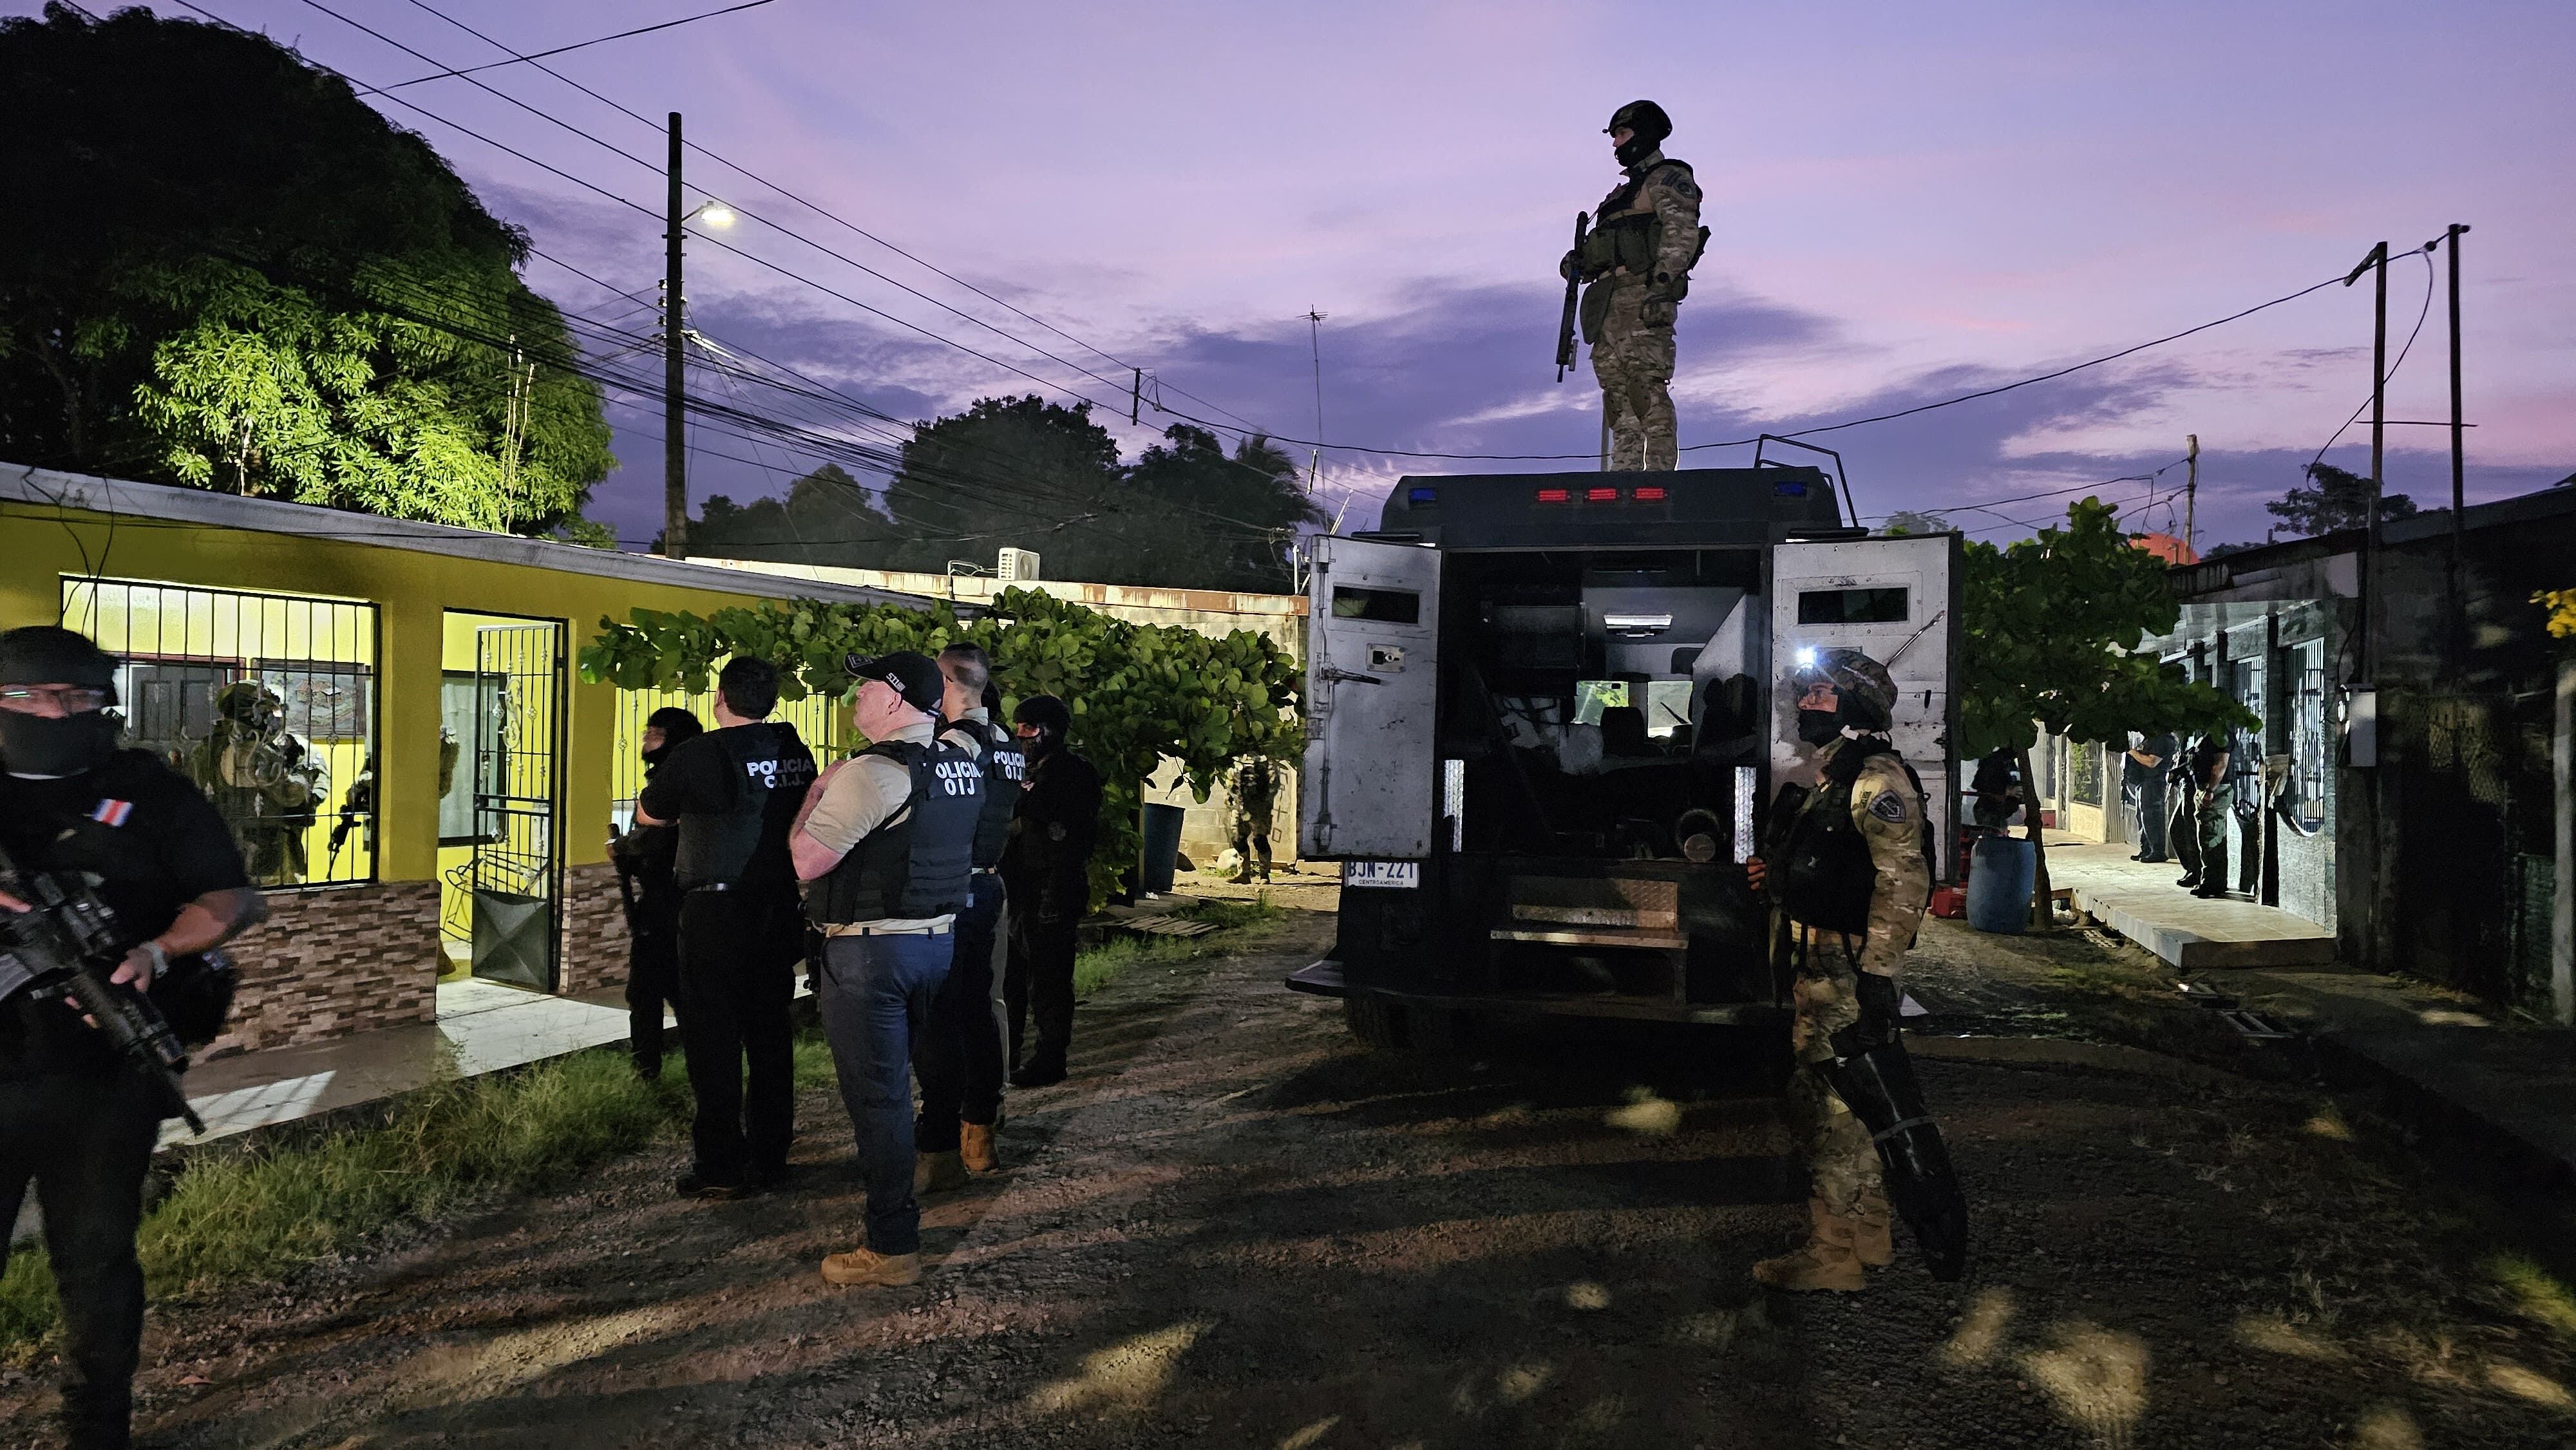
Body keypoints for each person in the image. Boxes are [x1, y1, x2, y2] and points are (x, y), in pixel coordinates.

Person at [0, 626, 267, 1449]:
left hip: (102, 1077)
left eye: (80, 697)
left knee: (96, 1259)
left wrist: (159, 949)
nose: (61, 711)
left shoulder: (144, 788)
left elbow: (233, 896)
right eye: (39, 696)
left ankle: (96, 1426)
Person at [1743, 648, 1965, 1292]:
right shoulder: (1832, 780)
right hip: (1822, 957)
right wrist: (1775, 878)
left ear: (1855, 706)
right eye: (1804, 693)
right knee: (1854, 1107)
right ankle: (1867, 1239)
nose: (1805, 703)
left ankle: (1833, 1252)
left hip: (1843, 967)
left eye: (1820, 694)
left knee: (1827, 1110)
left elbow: (1903, 880)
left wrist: (1875, 976)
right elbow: (1832, 866)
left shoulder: (1875, 781)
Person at [791, 652, 982, 1288]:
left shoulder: (868, 773)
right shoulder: (960, 765)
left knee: (879, 1101)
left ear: (896, 702)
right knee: (917, 1075)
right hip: (935, 946)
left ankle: (892, 1243)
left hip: (871, 955)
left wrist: (818, 790)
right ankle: (942, 1159)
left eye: (867, 687)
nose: (856, 697)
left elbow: (807, 861)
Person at [632, 657, 815, 1200]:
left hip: (715, 912)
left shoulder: (699, 753)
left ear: (720, 697)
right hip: (778, 907)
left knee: (713, 1041)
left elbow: (649, 815)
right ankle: (771, 1155)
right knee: (769, 1032)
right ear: (771, 700)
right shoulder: (794, 752)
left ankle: (721, 1167)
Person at [910, 646, 1021, 1187]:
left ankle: (938, 1143)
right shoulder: (1007, 744)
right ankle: (979, 1128)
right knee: (976, 1010)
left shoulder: (954, 746)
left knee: (940, 1020)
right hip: (988, 886)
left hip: (951, 891)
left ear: (946, 684)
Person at [1560, 99, 1705, 471]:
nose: (1616, 145)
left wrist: (1661, 288)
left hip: (1643, 297)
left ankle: (1659, 478)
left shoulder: (1667, 178)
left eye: (1622, 135)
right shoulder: (1616, 197)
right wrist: (1577, 262)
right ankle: (1624, 479)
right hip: (1607, 306)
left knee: (1646, 389)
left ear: (1643, 134)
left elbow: (1680, 235)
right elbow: (1600, 251)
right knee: (1617, 399)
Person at [999, 694, 1101, 1089]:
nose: (1021, 735)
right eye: (1019, 726)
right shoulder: (1022, 767)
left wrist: (1056, 895)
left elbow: (1072, 840)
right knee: (1012, 980)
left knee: (1050, 981)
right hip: (1018, 889)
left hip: (1052, 888)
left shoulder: (1073, 773)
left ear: (1049, 731)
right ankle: (1009, 1055)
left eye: (1029, 727)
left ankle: (1050, 1058)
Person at [610, 706, 701, 1080]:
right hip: (661, 905)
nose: (647, 739)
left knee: (666, 992)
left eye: (656, 733)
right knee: (648, 993)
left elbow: (663, 843)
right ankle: (649, 1067)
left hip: (673, 906)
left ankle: (650, 1068)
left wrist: (626, 848)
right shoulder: (669, 781)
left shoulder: (678, 785)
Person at [2175, 734, 2233, 899]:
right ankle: (2210, 881)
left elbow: (2220, 764)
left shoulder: (2221, 736)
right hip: (2205, 789)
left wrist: (2210, 791)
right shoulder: (2208, 735)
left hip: (2215, 791)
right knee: (2207, 837)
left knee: (2211, 838)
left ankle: (2212, 883)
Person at [2125, 732, 2176, 862]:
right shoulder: (2152, 739)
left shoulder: (2163, 740)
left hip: (2153, 782)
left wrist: (2132, 752)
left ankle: (2157, 851)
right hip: (2144, 781)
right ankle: (2147, 849)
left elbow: (2152, 762)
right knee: (2142, 817)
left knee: (2151, 817)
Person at [1229, 756, 1278, 884]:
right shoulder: (1236, 757)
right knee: (1237, 838)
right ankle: (1244, 873)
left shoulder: (1265, 758)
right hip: (1239, 805)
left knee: (1260, 840)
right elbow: (1230, 782)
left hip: (1259, 807)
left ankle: (1264, 874)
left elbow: (1273, 784)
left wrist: (1265, 806)